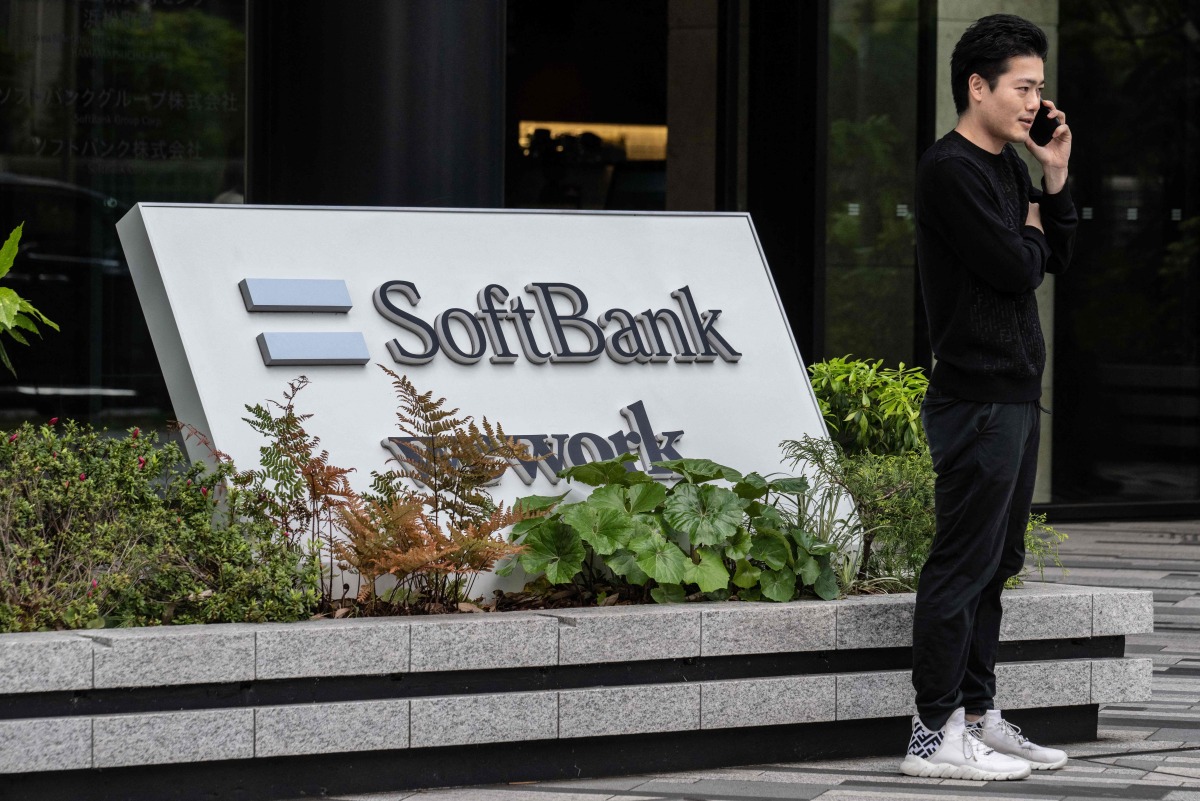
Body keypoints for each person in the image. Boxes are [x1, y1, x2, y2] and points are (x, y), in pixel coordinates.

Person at [902, 13, 1078, 781]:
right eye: (1023, 87)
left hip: (1013, 390)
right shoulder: (950, 170)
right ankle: (930, 733)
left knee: (997, 560)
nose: (1035, 102)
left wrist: (1054, 181)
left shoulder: (1010, 164)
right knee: (962, 564)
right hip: (974, 395)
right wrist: (1032, 238)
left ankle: (978, 716)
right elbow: (1014, 268)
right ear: (977, 86)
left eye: (1040, 88)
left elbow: (1051, 255)